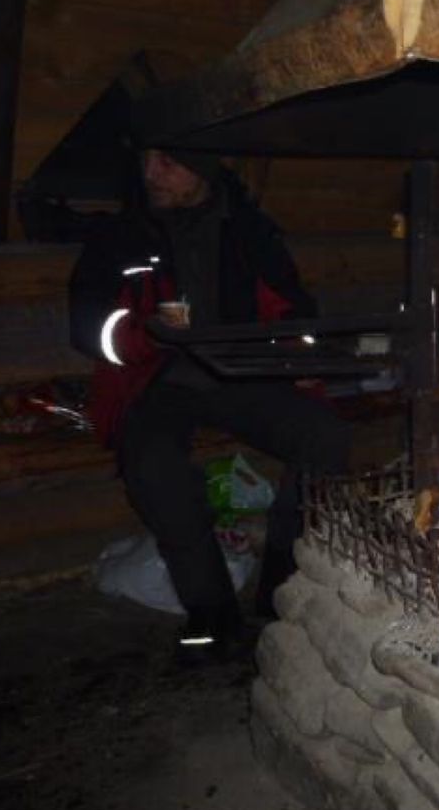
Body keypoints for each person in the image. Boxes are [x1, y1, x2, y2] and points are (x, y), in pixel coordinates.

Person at [69, 148, 351, 660]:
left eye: (168, 163)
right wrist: (146, 333)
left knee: (324, 436)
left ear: (203, 168)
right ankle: (212, 615)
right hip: (153, 379)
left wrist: (302, 354)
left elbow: (288, 307)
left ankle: (282, 593)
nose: (150, 172)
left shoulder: (247, 228)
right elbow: (89, 327)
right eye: (146, 160)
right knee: (155, 466)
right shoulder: (120, 235)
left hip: (237, 375)